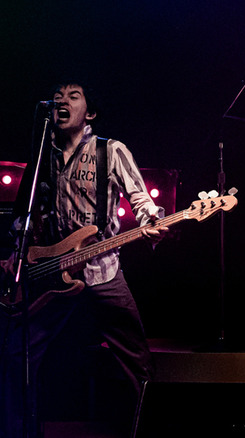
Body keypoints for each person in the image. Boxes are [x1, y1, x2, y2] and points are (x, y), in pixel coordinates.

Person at [0, 81, 167, 438]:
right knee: (17, 354)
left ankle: (147, 430)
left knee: (136, 361)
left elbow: (141, 198)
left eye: (73, 96)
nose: (61, 100)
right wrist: (17, 252)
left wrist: (151, 218)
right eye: (57, 96)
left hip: (103, 270)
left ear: (89, 112)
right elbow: (25, 216)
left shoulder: (111, 150)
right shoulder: (42, 154)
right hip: (53, 274)